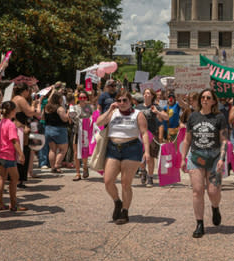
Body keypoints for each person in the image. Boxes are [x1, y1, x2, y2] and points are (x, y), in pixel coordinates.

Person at [96, 89, 150, 225]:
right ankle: (117, 201)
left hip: (131, 149)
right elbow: (99, 123)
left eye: (125, 100)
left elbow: (144, 133)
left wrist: (147, 152)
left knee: (126, 183)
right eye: (119, 100)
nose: (122, 103)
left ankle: (125, 212)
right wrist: (109, 110)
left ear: (131, 101)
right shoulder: (113, 113)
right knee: (108, 181)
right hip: (113, 148)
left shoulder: (138, 114)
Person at [181, 88, 228, 238]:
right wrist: (183, 158)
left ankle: (215, 207)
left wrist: (222, 158)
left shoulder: (219, 118)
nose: (205, 100)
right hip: (196, 157)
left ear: (213, 101)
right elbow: (187, 140)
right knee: (197, 190)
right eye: (203, 97)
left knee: (213, 192)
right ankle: (199, 223)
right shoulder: (193, 117)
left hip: (214, 158)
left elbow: (224, 140)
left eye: (208, 98)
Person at [0, 101, 27, 212]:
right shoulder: (10, 124)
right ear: (12, 111)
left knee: (2, 178)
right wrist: (21, 154)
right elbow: (14, 141)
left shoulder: (0, 122)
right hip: (8, 154)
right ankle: (13, 204)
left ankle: (0, 203)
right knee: (15, 178)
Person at [137, 88, 168, 187]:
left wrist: (157, 112)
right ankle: (143, 170)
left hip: (151, 134)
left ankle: (150, 177)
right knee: (139, 157)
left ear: (152, 96)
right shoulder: (138, 107)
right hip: (139, 135)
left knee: (149, 157)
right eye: (145, 93)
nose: (146, 95)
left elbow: (166, 117)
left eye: (148, 93)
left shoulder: (156, 106)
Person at [12, 83, 40, 187]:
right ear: (24, 91)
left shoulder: (14, 98)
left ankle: (17, 178)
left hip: (18, 126)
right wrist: (34, 103)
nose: (28, 93)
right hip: (20, 128)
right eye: (28, 91)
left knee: (19, 152)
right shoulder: (20, 99)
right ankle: (19, 179)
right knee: (23, 152)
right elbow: (30, 112)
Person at [43, 91, 70, 174]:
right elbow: (65, 119)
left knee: (52, 150)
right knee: (63, 149)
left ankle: (52, 167)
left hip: (48, 129)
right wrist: (68, 112)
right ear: (58, 99)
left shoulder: (46, 107)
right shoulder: (60, 108)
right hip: (59, 129)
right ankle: (57, 165)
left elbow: (42, 117)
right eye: (61, 98)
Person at [71, 92, 93, 181]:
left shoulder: (89, 108)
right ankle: (77, 173)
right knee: (76, 152)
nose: (82, 99)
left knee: (84, 151)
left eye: (84, 97)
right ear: (78, 98)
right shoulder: (75, 107)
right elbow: (71, 118)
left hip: (85, 132)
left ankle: (84, 167)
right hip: (76, 131)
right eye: (81, 97)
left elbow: (93, 117)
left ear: (86, 98)